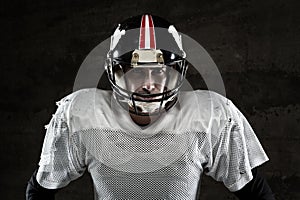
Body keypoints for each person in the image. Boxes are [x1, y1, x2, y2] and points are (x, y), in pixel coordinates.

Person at [26, 14, 275, 200]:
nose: (148, 84)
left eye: (158, 72)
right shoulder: (82, 115)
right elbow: (40, 190)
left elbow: (254, 190)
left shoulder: (209, 116)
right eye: (136, 72)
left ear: (176, 73)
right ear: (115, 72)